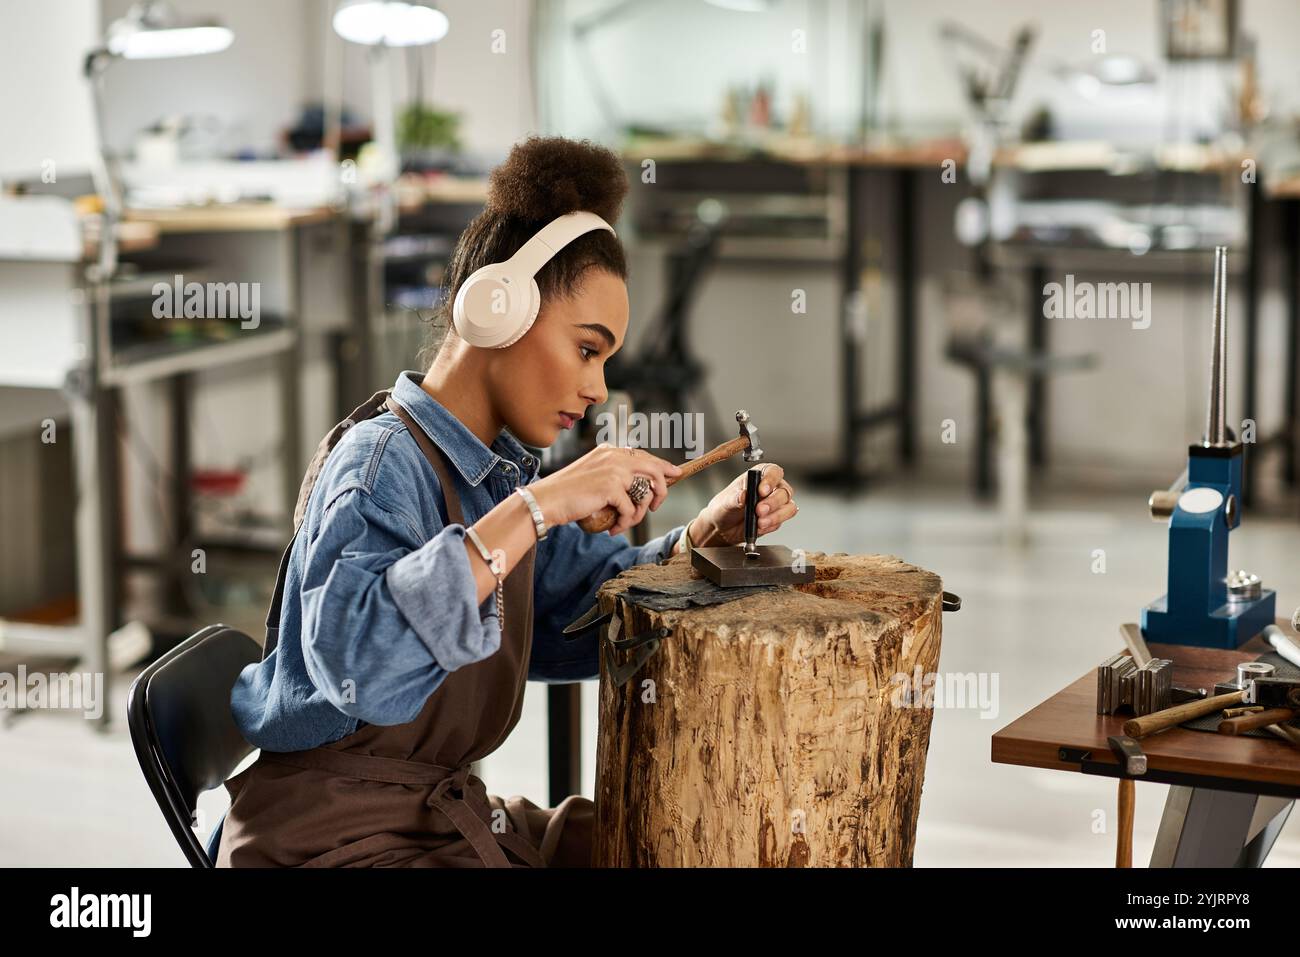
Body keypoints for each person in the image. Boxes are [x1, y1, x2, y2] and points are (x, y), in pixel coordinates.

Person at [213, 135, 800, 867]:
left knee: (658, 839)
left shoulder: (486, 479)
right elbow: (358, 662)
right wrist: (540, 505)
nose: (597, 389)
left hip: (430, 821)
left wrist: (694, 546)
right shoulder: (379, 465)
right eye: (587, 349)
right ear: (497, 308)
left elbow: (574, 612)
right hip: (328, 843)